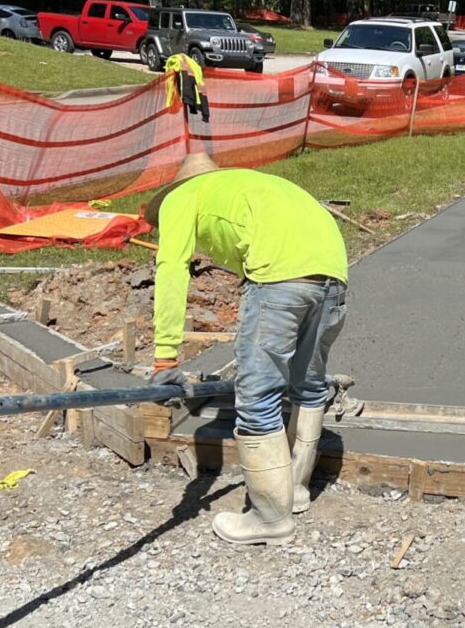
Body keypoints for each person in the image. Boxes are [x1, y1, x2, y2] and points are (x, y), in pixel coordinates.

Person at [144, 153, 348, 544]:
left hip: (280, 276)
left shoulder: (182, 197)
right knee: (308, 385)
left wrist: (165, 356)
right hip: (334, 275)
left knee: (256, 397)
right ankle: (295, 489)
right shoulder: (253, 186)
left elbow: (171, 266)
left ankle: (270, 520)